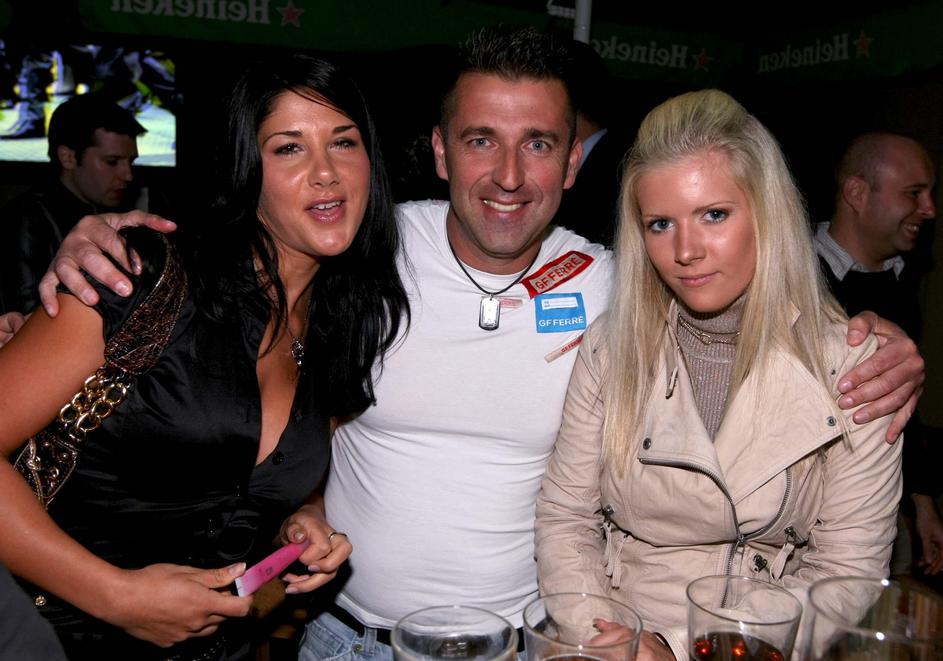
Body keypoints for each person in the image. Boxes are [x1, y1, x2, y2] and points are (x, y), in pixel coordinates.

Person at [20, 27, 923, 661]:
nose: (508, 175)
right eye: (481, 140)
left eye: (539, 144)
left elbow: (747, 288)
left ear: (573, 162)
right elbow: (259, 293)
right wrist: (95, 243)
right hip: (344, 640)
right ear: (440, 152)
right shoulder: (362, 252)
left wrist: (871, 338)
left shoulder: (625, 283)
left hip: (527, 644)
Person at [0, 53, 408, 660]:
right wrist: (115, 596)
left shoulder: (344, 323)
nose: (326, 173)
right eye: (289, 148)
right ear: (248, 169)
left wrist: (298, 520)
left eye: (343, 143)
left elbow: (247, 481)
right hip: (55, 640)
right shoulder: (138, 275)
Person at [535, 90, 903, 660]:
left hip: (758, 643)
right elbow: (565, 517)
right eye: (660, 223)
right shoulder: (612, 346)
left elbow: (846, 571)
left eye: (714, 215)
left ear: (766, 212)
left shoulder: (854, 364)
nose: (686, 251)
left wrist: (680, 649)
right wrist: (611, 639)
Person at [815, 132, 943, 576]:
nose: (929, 209)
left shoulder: (900, 282)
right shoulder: (789, 275)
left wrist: (922, 504)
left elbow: (903, 405)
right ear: (856, 192)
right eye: (914, 193)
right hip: (807, 527)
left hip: (882, 518)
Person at [0, 93, 145, 314]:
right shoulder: (24, 220)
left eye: (130, 161)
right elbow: (24, 317)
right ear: (68, 157)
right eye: (112, 162)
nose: (128, 175)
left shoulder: (113, 212)